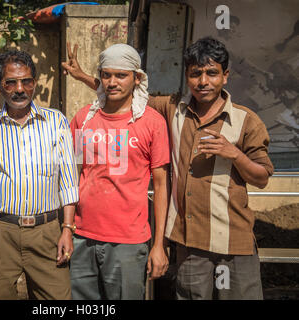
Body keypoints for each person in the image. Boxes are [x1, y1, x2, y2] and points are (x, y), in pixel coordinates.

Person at [66, 37, 274, 300]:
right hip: (189, 242)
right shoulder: (174, 109)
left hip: (233, 239)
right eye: (195, 74)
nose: (203, 82)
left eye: (212, 73)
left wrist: (234, 154)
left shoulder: (246, 120)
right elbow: (121, 89)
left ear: (226, 76)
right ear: (187, 77)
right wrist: (83, 76)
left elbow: (262, 178)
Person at [0, 49, 79, 300]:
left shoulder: (56, 121)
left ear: (34, 83)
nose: (20, 89)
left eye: (26, 81)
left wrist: (67, 229)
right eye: (11, 82)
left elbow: (68, 181)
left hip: (46, 232)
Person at [64, 43, 170, 300]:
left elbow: (162, 185)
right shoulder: (83, 119)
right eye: (106, 74)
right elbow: (75, 175)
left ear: (137, 78)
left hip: (129, 242)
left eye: (121, 75)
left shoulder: (152, 123)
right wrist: (67, 229)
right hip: (82, 238)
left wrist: (159, 245)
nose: (112, 82)